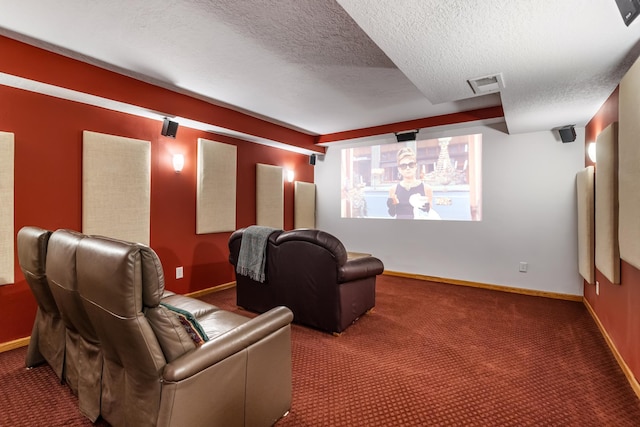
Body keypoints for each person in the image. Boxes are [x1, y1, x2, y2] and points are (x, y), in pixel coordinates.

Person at [387, 146, 436, 219]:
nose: (408, 168)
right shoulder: (393, 189)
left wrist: (427, 208)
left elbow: (430, 213)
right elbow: (392, 214)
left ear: (416, 166)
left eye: (411, 164)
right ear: (399, 169)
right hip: (399, 227)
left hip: (419, 227)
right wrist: (391, 207)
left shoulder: (427, 188)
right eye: (403, 165)